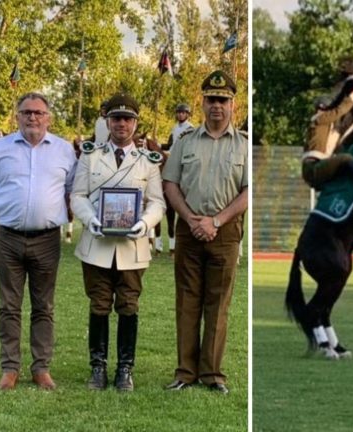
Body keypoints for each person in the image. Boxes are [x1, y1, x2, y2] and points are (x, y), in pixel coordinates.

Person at [70, 93, 165, 391]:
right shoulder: (90, 155)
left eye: (128, 119)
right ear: (107, 122)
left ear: (136, 123)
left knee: (128, 305)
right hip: (97, 244)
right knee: (99, 304)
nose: (122, 124)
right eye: (116, 118)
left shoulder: (147, 161)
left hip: (132, 247)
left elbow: (157, 202)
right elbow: (77, 196)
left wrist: (144, 223)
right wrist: (90, 219)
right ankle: (97, 368)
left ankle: (125, 369)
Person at [162, 70, 247, 395]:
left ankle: (212, 374)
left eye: (223, 100)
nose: (216, 106)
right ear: (202, 102)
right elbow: (170, 183)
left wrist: (216, 221)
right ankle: (185, 372)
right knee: (187, 301)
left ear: (232, 104)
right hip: (188, 230)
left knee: (218, 303)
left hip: (224, 233)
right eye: (211, 99)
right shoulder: (185, 142)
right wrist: (191, 219)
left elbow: (247, 192)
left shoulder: (243, 145)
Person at [0, 92, 77, 391]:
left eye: (39, 113)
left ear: (48, 117)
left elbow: (72, 190)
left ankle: (41, 368)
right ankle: (10, 368)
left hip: (46, 239)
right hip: (6, 238)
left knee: (44, 306)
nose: (33, 117)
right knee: (9, 306)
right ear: (16, 116)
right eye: (27, 112)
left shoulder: (64, 151)